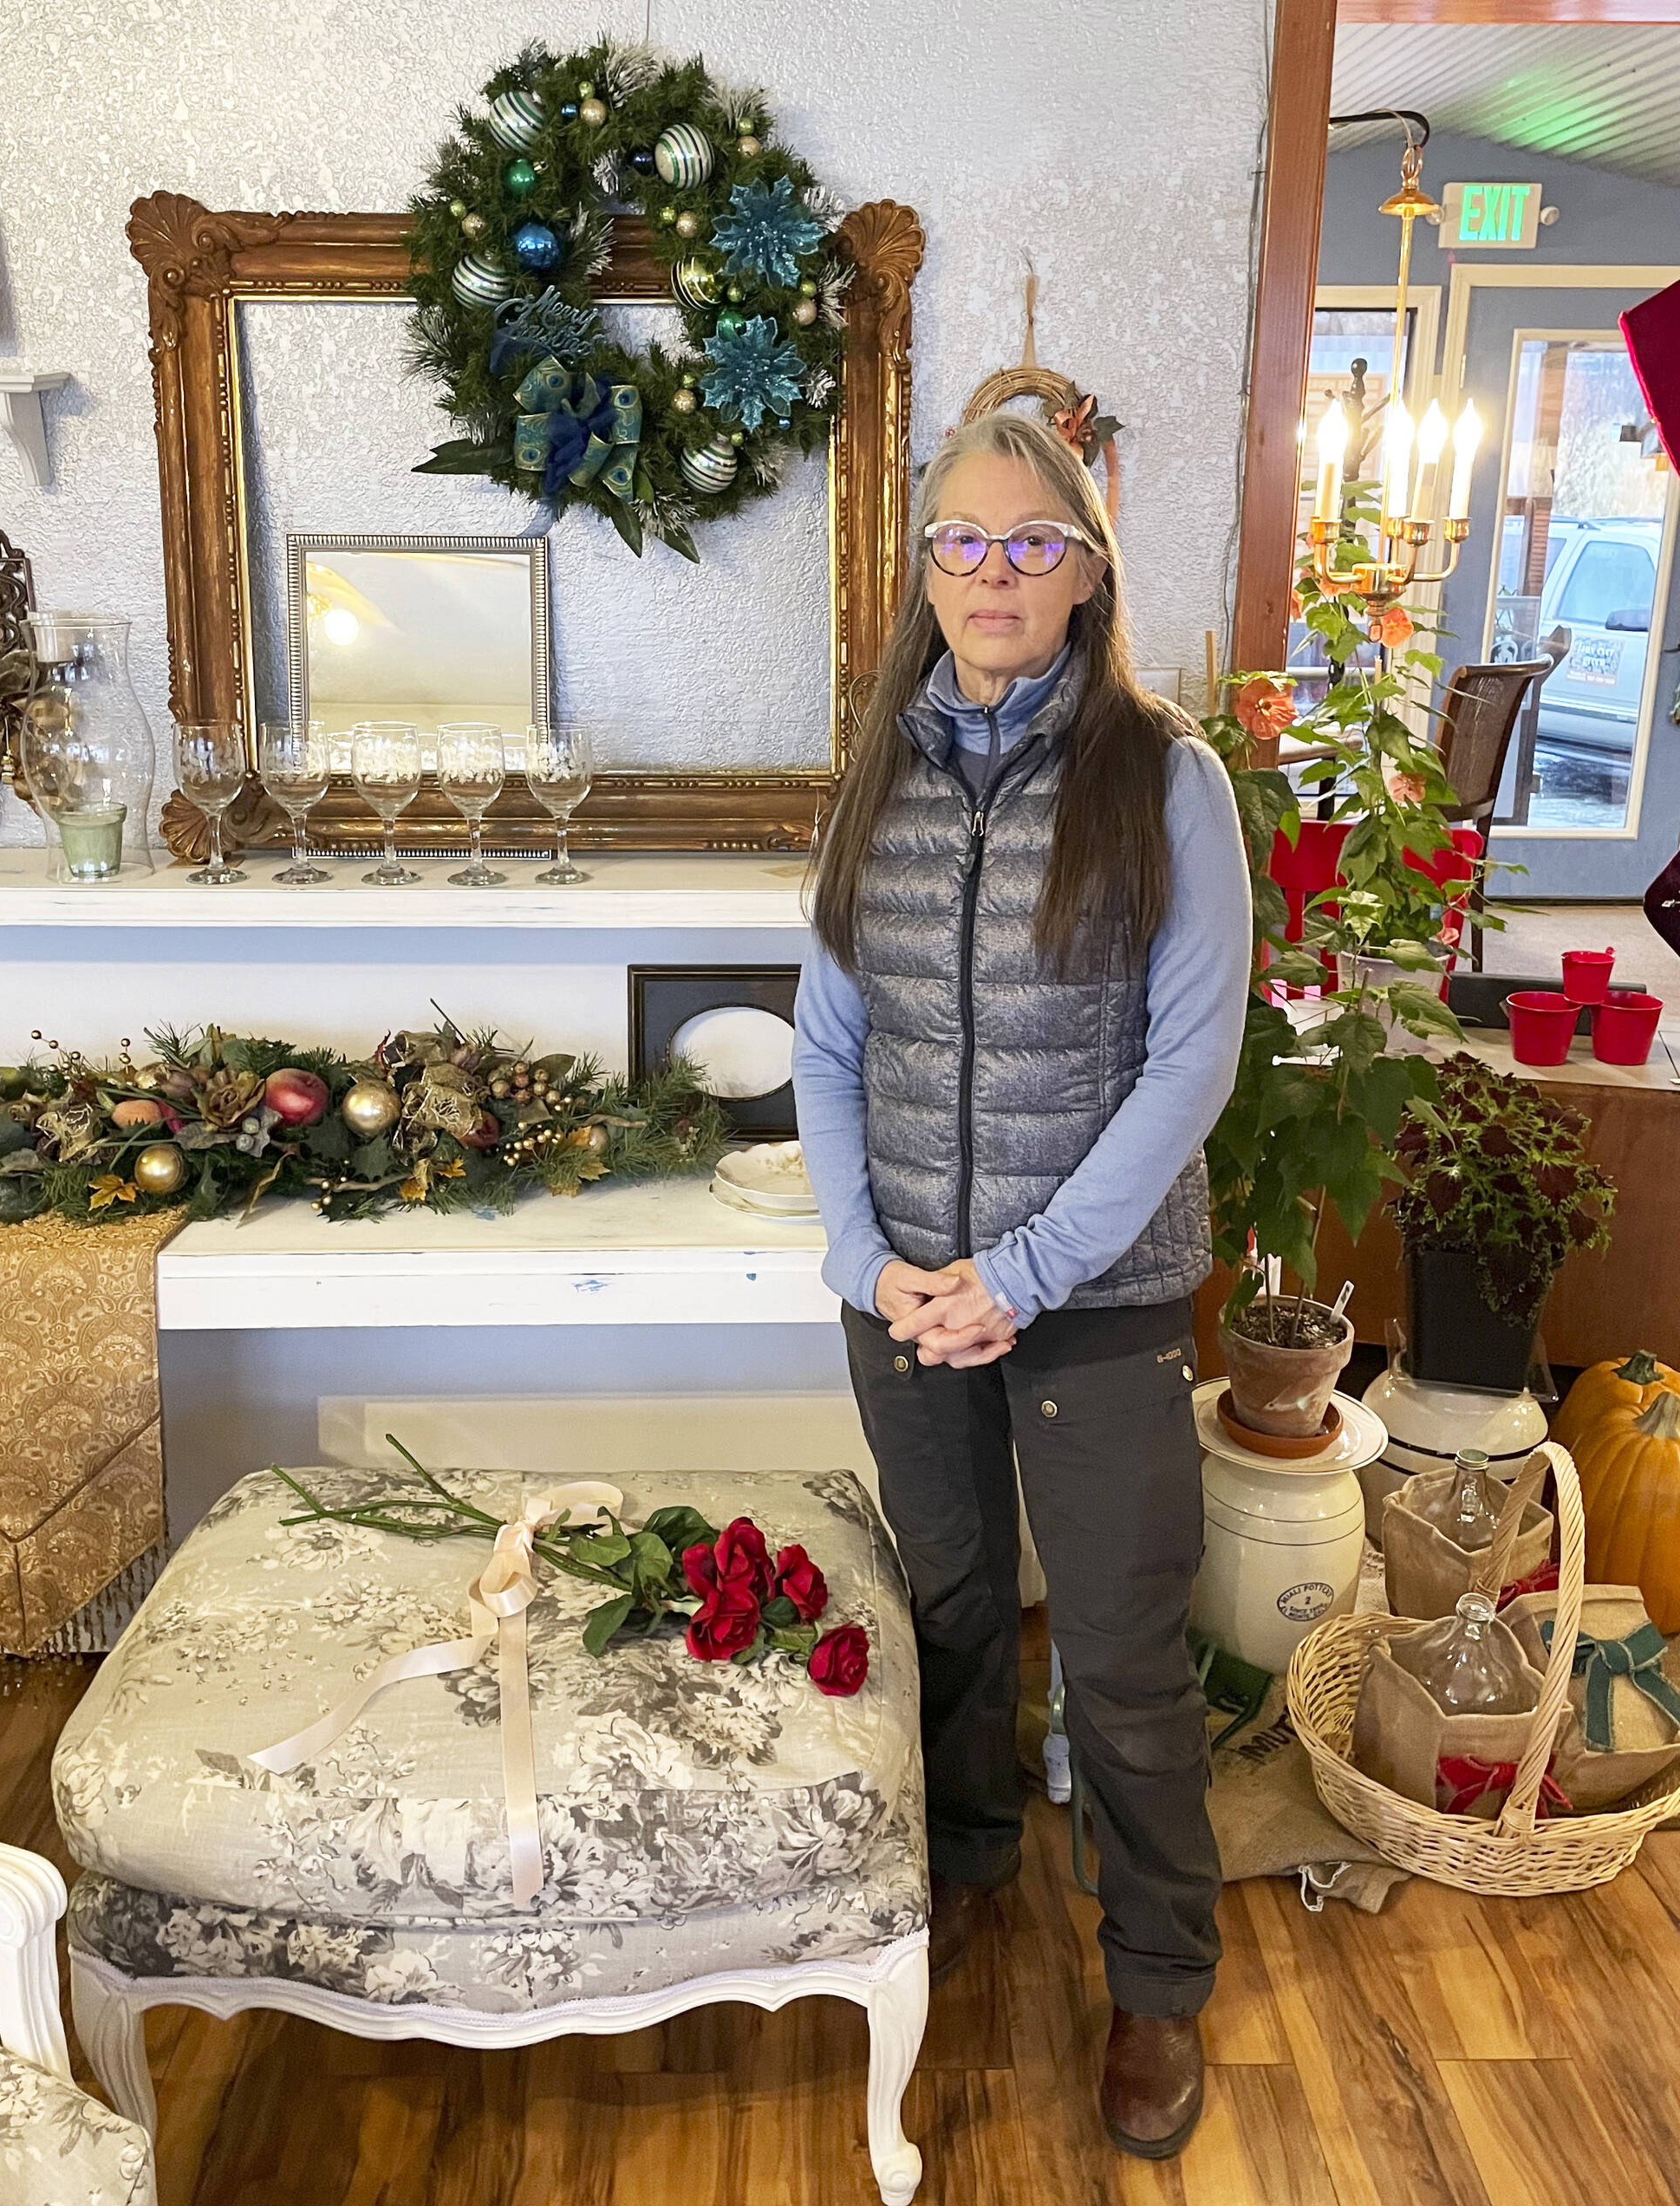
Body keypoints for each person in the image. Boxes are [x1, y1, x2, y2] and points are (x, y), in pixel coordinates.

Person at [792, 408, 1250, 2161]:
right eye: (959, 543)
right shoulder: (876, 777)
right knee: (958, 1610)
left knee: (1124, 1664)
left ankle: (1154, 1983)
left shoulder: (1164, 773)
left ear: (1087, 570)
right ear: (922, 571)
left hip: (1100, 1297)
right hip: (905, 1293)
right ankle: (968, 1874)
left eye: (1030, 543)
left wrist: (1027, 1272)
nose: (992, 574)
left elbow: (1189, 1065)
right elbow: (832, 1046)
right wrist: (870, 1257)